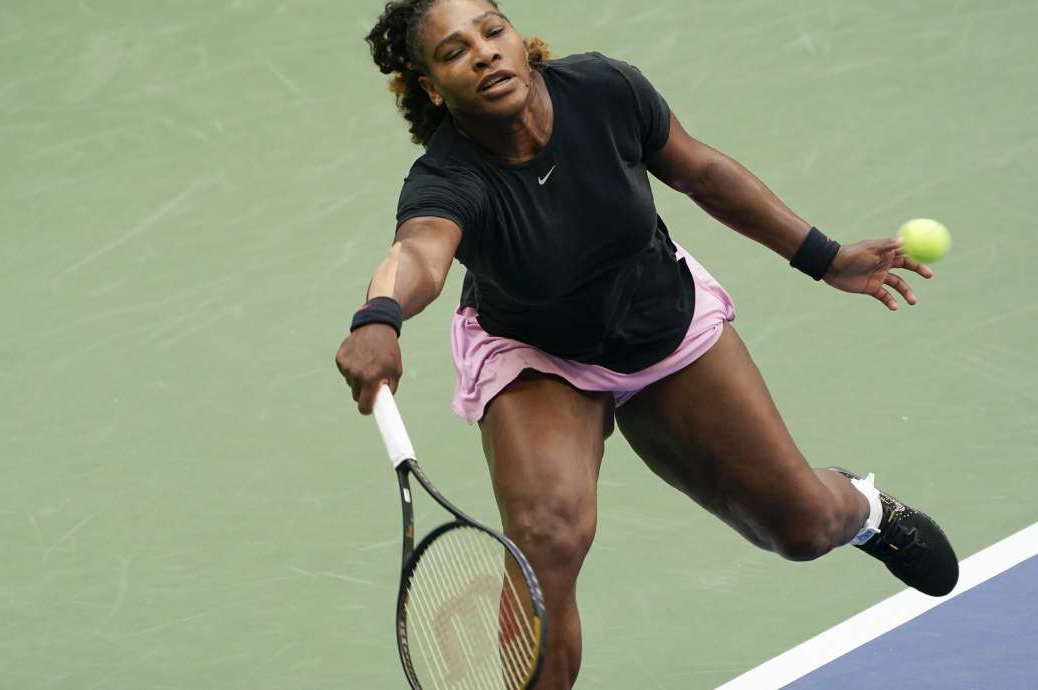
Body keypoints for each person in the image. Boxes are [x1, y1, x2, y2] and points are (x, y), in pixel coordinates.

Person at [335, 1, 959, 687]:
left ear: (518, 39)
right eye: (453, 52)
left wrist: (824, 256)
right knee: (547, 539)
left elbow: (700, 171)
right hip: (539, 356)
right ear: (430, 86)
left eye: (492, 31)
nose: (484, 53)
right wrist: (380, 315)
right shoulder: (447, 177)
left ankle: (866, 509)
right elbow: (418, 252)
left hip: (660, 319)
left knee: (802, 529)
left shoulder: (604, 91)